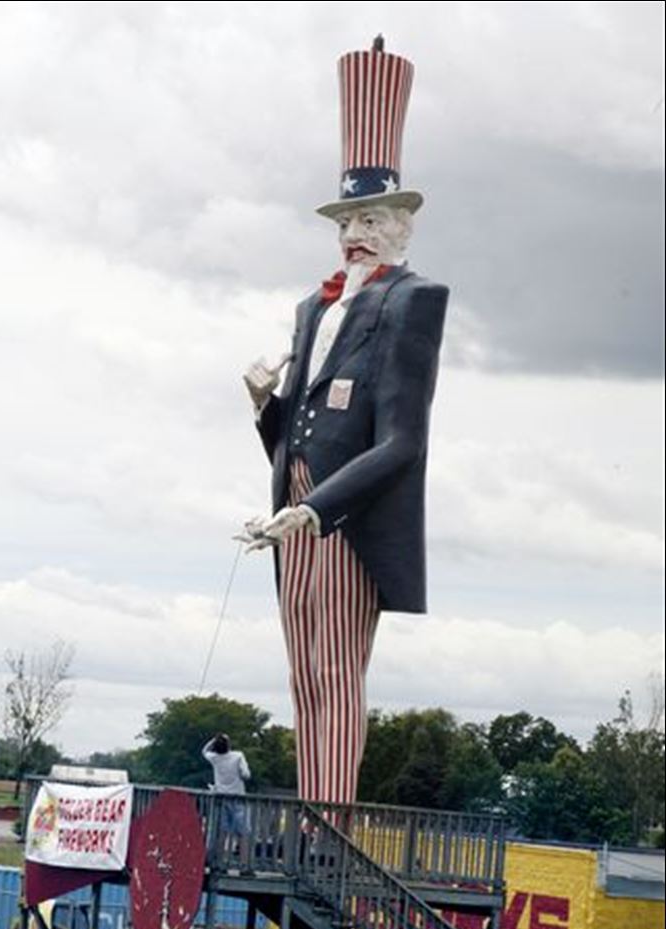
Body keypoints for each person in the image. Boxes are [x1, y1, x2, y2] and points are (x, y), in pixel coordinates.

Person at [239, 42, 448, 808]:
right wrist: (266, 408)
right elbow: (303, 436)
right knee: (302, 674)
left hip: (341, 521)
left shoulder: (411, 301)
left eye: (367, 218)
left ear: (400, 224)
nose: (353, 233)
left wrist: (316, 510)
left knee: (334, 668)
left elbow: (402, 441)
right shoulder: (315, 308)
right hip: (295, 514)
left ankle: (328, 827)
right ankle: (313, 812)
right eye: (345, 220)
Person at [201, 734, 251, 848]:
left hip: (221, 798)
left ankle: (220, 859)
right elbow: (246, 775)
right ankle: (243, 862)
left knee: (222, 831)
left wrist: (212, 740)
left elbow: (204, 751)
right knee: (242, 833)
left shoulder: (214, 758)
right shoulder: (238, 756)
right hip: (238, 798)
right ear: (229, 745)